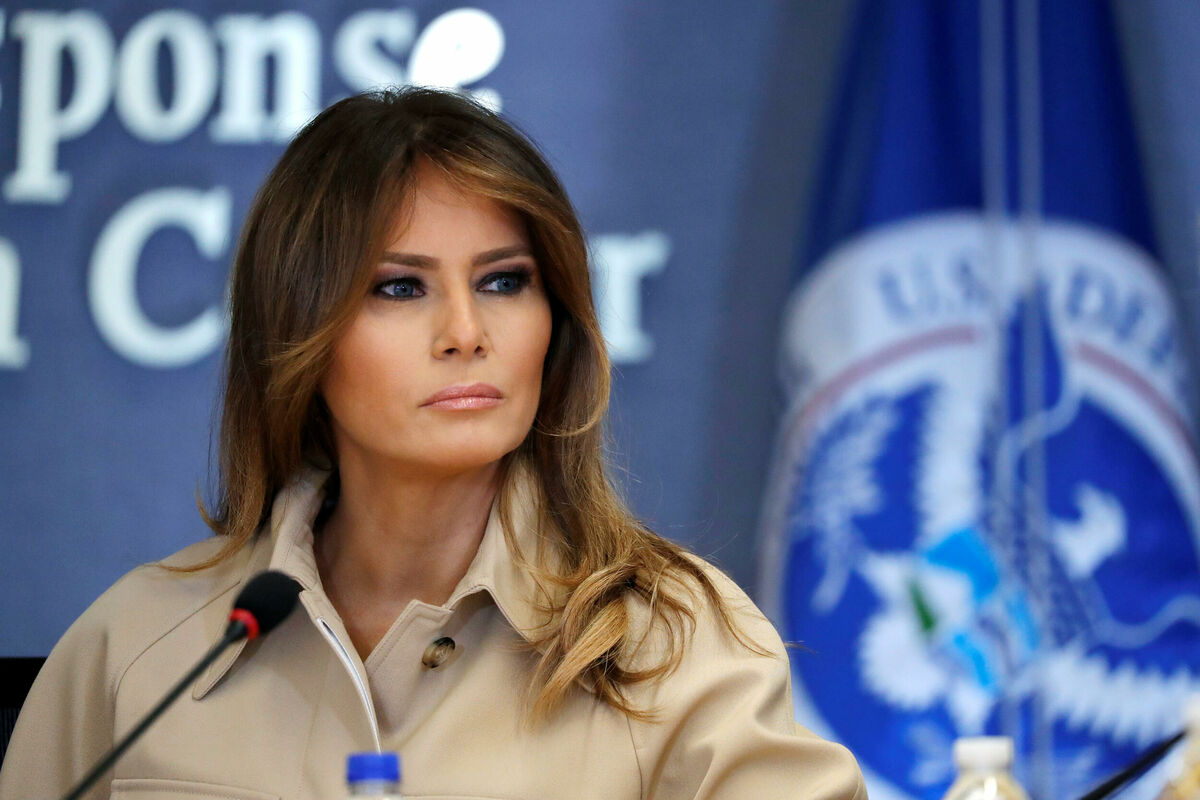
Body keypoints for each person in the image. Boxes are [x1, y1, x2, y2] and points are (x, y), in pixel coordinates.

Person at [0, 88, 866, 800]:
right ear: (300, 332)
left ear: (556, 320)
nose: (465, 332)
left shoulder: (674, 644)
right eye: (400, 288)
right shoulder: (135, 645)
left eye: (504, 281)